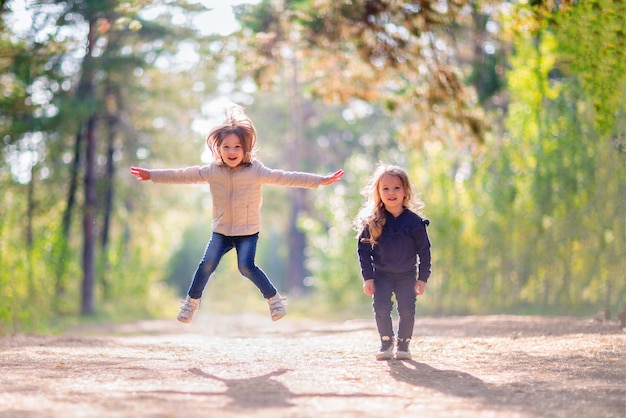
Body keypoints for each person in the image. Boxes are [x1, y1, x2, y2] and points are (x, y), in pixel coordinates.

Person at [131, 105, 344, 323]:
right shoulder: (212, 171)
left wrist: (320, 180)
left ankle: (274, 300)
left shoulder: (255, 170)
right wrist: (152, 175)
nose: (232, 152)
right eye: (226, 147)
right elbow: (182, 175)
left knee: (245, 266)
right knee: (207, 264)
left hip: (247, 230)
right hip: (222, 231)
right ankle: (190, 304)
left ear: (245, 149)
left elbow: (286, 177)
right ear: (218, 149)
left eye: (237, 147)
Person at [353, 164, 431, 360]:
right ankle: (386, 342)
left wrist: (422, 278)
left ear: (405, 191)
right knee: (381, 307)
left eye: (396, 187)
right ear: (378, 192)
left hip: (406, 275)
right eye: (385, 188)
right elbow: (363, 251)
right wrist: (368, 278)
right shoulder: (373, 221)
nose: (391, 193)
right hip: (381, 275)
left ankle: (404, 345)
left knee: (406, 309)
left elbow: (424, 251)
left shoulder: (415, 222)